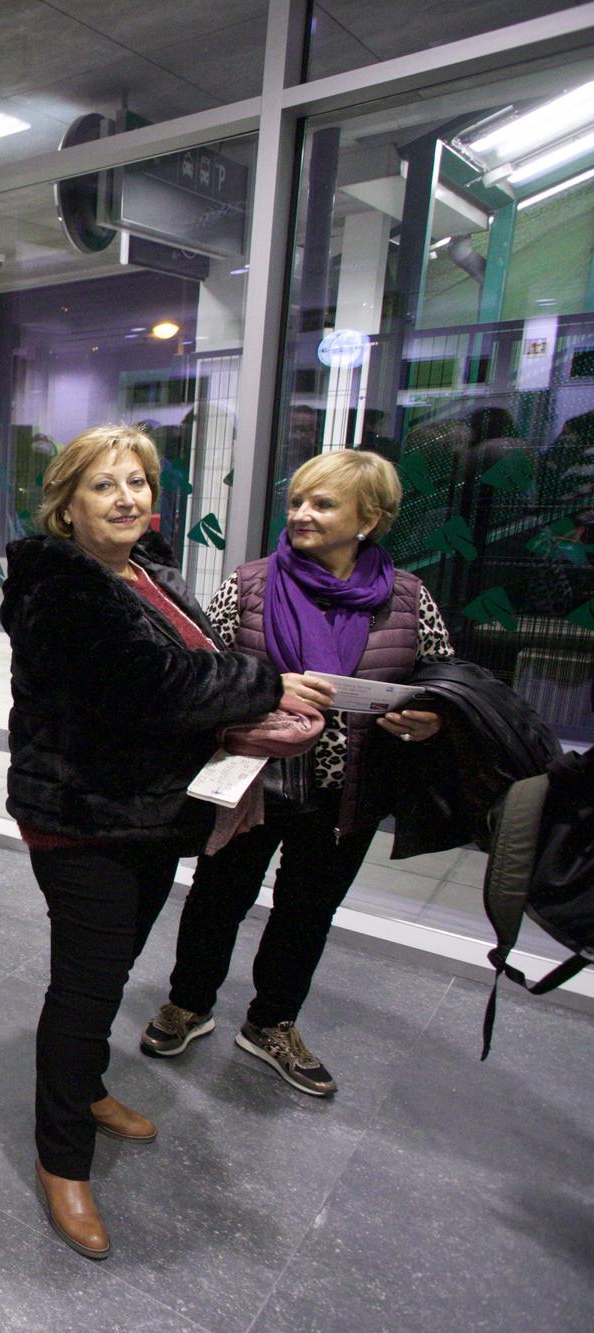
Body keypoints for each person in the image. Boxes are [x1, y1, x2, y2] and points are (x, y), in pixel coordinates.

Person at [0, 424, 283, 1261]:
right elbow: (147, 685)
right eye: (104, 485)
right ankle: (63, 1160)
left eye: (138, 483)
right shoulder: (59, 587)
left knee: (116, 962)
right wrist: (265, 684)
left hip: (151, 811)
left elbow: (206, 661)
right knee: (86, 986)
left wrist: (238, 688)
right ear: (66, 503)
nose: (127, 499)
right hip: (81, 816)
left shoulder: (149, 572)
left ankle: (83, 1088)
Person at [145, 450, 454, 1096]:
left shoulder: (407, 597)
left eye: (324, 504)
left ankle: (271, 1021)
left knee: (307, 910)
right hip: (255, 781)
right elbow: (203, 677)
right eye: (298, 502)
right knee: (217, 896)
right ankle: (189, 1002)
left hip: (350, 791)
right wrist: (268, 687)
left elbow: (444, 685)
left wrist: (429, 720)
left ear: (369, 519)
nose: (302, 514)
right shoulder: (252, 583)